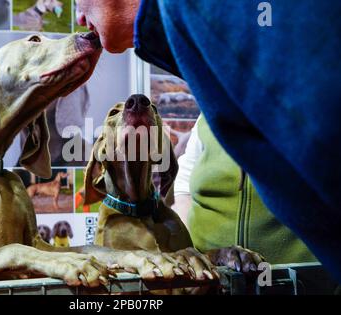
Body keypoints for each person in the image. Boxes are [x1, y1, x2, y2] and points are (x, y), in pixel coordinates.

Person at [75, 0, 341, 282]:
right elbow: (184, 189)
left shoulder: (209, 13)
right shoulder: (206, 93)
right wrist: (189, 256)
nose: (79, 15)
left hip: (302, 281)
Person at [173, 114, 317, 264]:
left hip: (300, 276)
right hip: (210, 276)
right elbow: (183, 188)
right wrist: (192, 257)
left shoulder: (310, 110)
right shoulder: (209, 114)